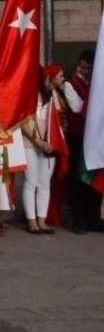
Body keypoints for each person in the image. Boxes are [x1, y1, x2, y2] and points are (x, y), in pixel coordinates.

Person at [21, 66, 64, 234]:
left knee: (45, 183)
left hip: (49, 144)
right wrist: (38, 141)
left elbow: (60, 120)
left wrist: (51, 142)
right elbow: (24, 122)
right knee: (31, 182)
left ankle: (42, 220)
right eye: (60, 76)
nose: (62, 79)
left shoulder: (55, 96)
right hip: (30, 143)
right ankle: (31, 222)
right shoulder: (30, 96)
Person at [64, 49, 96, 232]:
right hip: (77, 137)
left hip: (92, 136)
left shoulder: (93, 83)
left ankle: (92, 218)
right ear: (79, 65)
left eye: (89, 68)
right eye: (84, 67)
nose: (86, 71)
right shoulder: (71, 84)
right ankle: (78, 220)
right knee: (77, 179)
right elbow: (77, 107)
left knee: (93, 177)